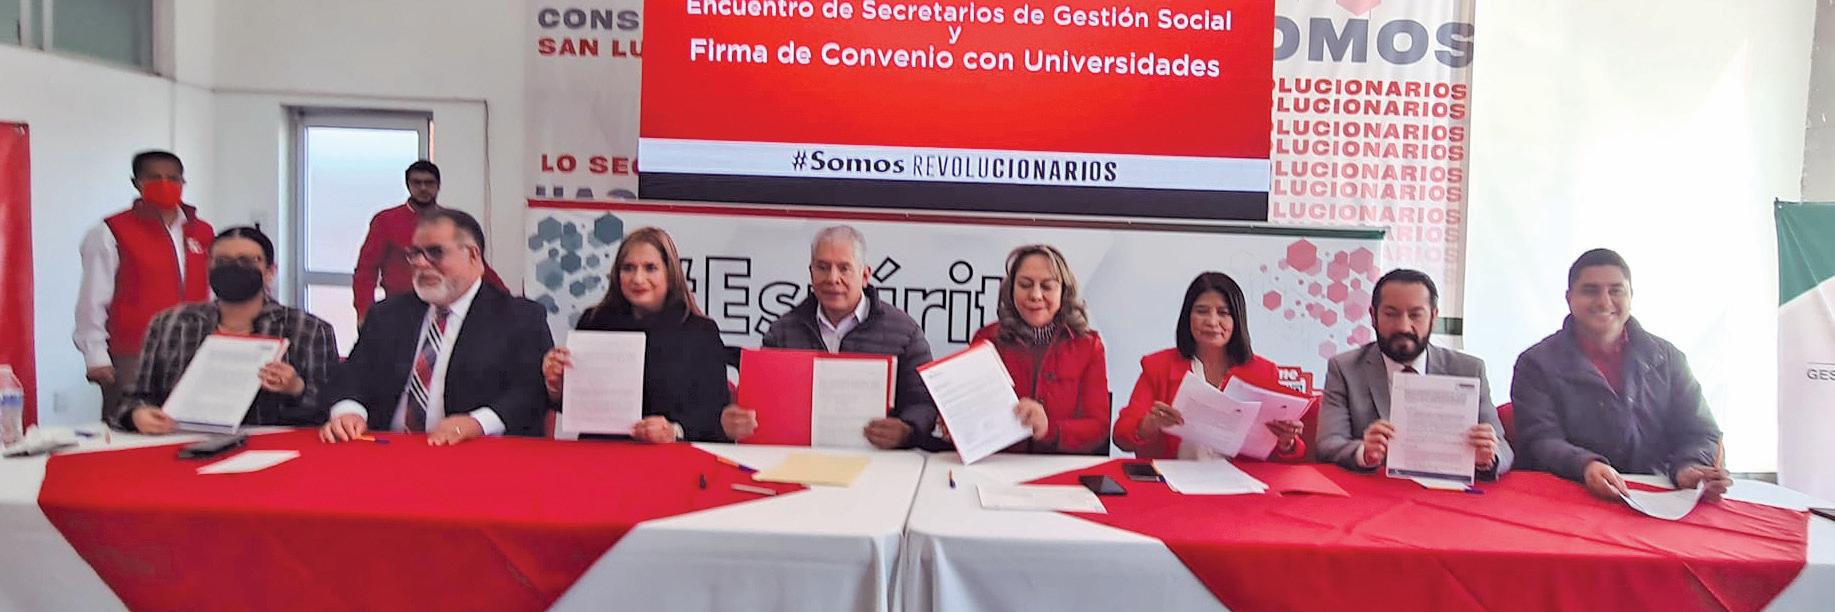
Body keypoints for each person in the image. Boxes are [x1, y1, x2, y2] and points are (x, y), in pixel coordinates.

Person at [1512, 249, 1730, 501]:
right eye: (1591, 291)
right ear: (1569, 298)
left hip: (1661, 497)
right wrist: (1586, 465)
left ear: (1631, 296)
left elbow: (1701, 432)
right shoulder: (1536, 364)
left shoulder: (1668, 359)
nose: (1604, 302)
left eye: (1616, 291)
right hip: (1570, 495)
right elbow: (1540, 440)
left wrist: (1689, 467)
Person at [319, 209, 552, 445]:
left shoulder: (519, 318)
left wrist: (478, 423)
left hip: (475, 453)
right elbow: (351, 377)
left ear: (472, 255)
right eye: (415, 254)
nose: (421, 263)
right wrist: (348, 411)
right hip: (387, 449)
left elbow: (531, 391)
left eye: (435, 252)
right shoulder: (388, 315)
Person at [719, 226, 938, 449]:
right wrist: (736, 420)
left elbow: (924, 402)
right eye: (823, 268)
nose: (832, 278)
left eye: (844, 268)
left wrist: (907, 430)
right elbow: (759, 406)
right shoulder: (782, 333)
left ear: (865, 275)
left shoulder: (904, 332)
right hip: (798, 460)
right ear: (811, 273)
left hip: (881, 460)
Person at [118, 227, 339, 433]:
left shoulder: (309, 330)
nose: (234, 268)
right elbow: (134, 398)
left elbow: (328, 408)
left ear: (270, 271)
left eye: (247, 260)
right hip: (178, 440)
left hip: (274, 447)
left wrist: (296, 388)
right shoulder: (169, 324)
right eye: (222, 261)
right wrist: (137, 415)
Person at [1314, 269, 1512, 478]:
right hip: (1375, 489)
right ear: (1373, 316)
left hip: (1447, 491)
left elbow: (1503, 449)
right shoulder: (1345, 368)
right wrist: (1364, 452)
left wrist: (1487, 457)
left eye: (1415, 315)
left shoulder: (1469, 370)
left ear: (1433, 317)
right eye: (1391, 314)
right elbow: (1328, 443)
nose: (1404, 326)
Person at [541, 227, 730, 442]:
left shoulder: (700, 332)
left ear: (670, 274)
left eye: (650, 268)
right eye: (628, 268)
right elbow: (574, 406)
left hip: (670, 454)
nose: (638, 279)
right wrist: (556, 385)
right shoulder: (595, 321)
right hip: (600, 452)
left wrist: (674, 431)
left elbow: (714, 414)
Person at [75, 150, 215, 427]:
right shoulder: (111, 231)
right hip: (133, 351)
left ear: (183, 182)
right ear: (136, 182)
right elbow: (92, 299)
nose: (165, 184)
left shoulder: (202, 231)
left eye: (173, 178)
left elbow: (211, 291)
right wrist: (95, 355)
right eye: (154, 178)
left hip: (194, 348)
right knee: (131, 425)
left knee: (192, 426)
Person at [1113, 272, 1308, 460]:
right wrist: (1149, 424)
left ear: (1237, 320)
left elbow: (1288, 455)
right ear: (1188, 317)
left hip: (1240, 479)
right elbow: (1121, 435)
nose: (1212, 322)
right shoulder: (1159, 367)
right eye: (1202, 311)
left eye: (1223, 313)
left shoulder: (1263, 372)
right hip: (1175, 477)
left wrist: (1287, 442)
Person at [957, 244, 1107, 454]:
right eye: (1025, 285)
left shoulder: (1088, 345)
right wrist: (954, 423)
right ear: (1011, 289)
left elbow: (1099, 428)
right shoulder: (987, 339)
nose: (1035, 295)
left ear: (1064, 291)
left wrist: (1050, 429)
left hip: (1060, 467)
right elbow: (969, 412)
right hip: (998, 464)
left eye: (1047, 286)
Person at [352, 160, 506, 323]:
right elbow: (366, 269)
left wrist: (507, 301)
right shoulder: (386, 221)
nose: (423, 188)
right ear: (408, 185)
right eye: (417, 183)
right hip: (401, 310)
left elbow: (475, 265)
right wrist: (364, 313)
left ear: (438, 186)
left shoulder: (453, 222)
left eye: (429, 183)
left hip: (447, 310)